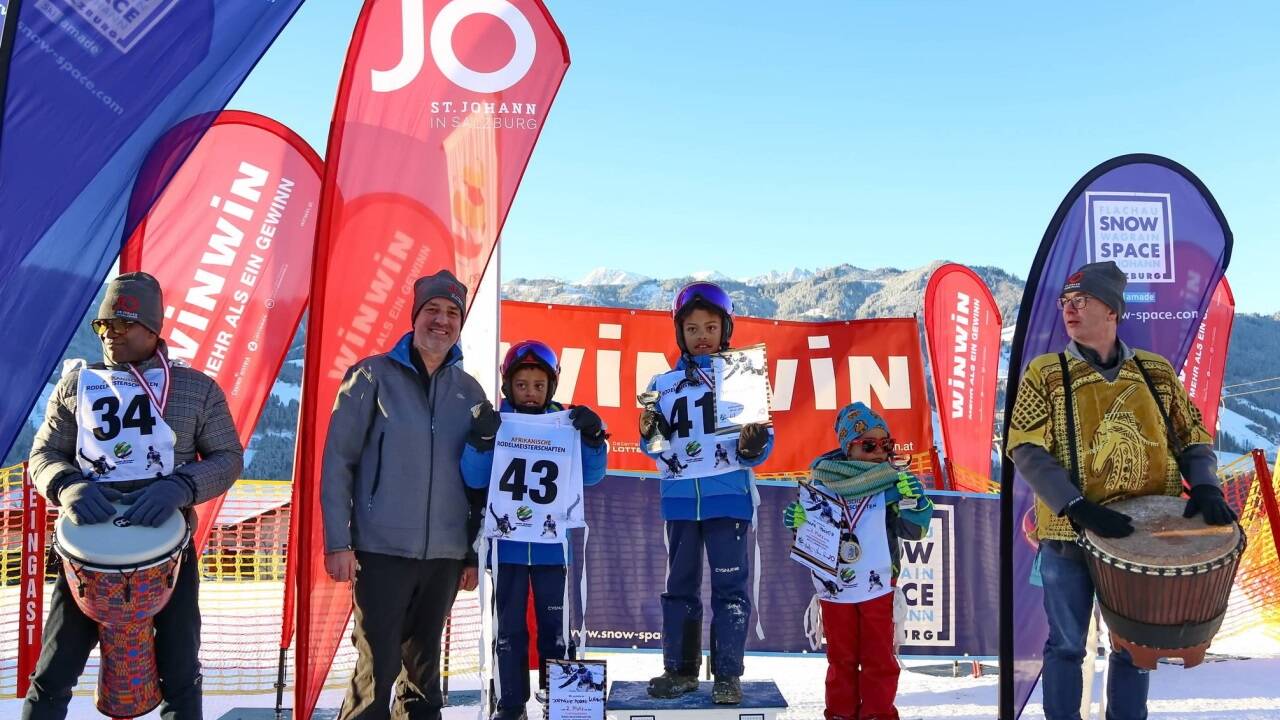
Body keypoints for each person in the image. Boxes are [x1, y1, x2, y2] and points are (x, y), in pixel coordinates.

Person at [1007, 261, 1236, 720]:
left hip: (1143, 536)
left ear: (1111, 311)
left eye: (1081, 301)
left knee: (1135, 645)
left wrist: (1207, 486)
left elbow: (1192, 432)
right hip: (1069, 534)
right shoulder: (1046, 373)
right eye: (1065, 303)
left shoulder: (1153, 372)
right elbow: (1024, 446)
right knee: (1067, 644)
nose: (1069, 311)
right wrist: (1074, 505)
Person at [24, 272, 243, 720]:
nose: (110, 335)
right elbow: (43, 454)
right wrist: (67, 486)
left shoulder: (195, 388)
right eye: (103, 326)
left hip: (169, 556)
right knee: (53, 673)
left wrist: (182, 485)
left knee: (181, 672)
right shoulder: (76, 386)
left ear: (152, 329)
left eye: (122, 325)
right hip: (85, 556)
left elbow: (228, 457)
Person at [322, 270, 488, 720]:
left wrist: (471, 554)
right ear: (415, 317)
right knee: (376, 673)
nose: (442, 320)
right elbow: (338, 462)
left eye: (452, 312)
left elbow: (479, 482)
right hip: (382, 550)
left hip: (445, 556)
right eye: (432, 309)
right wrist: (338, 541)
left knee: (424, 678)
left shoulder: (470, 392)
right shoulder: (371, 376)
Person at [638, 281, 774, 704]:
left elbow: (763, 445)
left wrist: (754, 444)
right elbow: (653, 448)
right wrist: (648, 433)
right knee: (680, 586)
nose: (701, 336)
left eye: (710, 327)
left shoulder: (742, 378)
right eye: (692, 328)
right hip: (679, 499)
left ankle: (728, 675)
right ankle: (679, 670)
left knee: (730, 589)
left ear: (725, 329)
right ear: (680, 333)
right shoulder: (663, 382)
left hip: (728, 498)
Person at [461, 340, 607, 720]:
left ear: (551, 388)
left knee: (554, 631)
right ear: (508, 386)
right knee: (508, 631)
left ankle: (561, 704)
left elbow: (591, 476)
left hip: (550, 549)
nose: (530, 393)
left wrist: (592, 440)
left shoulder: (566, 423)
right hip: (508, 548)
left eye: (538, 386)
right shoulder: (499, 423)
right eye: (522, 385)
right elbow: (474, 478)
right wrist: (480, 439)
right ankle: (509, 705)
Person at [784, 402, 933, 720]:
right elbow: (811, 542)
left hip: (879, 586)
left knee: (879, 658)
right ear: (848, 447)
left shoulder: (894, 485)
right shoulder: (821, 488)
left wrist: (916, 504)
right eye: (869, 444)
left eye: (886, 445)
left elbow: (914, 531)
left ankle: (878, 714)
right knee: (841, 659)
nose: (880, 452)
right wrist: (799, 524)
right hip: (835, 587)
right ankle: (839, 714)